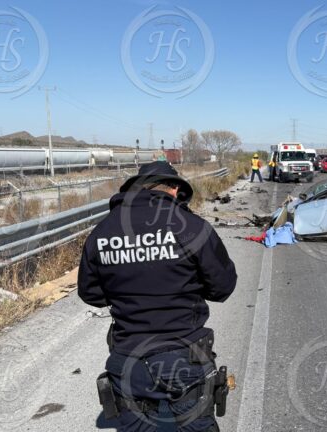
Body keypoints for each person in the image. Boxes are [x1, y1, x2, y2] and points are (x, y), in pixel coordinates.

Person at [78, 161, 237, 432]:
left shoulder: (102, 231)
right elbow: (222, 286)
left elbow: (90, 293)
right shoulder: (190, 226)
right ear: (174, 189)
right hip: (184, 356)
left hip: (129, 359)